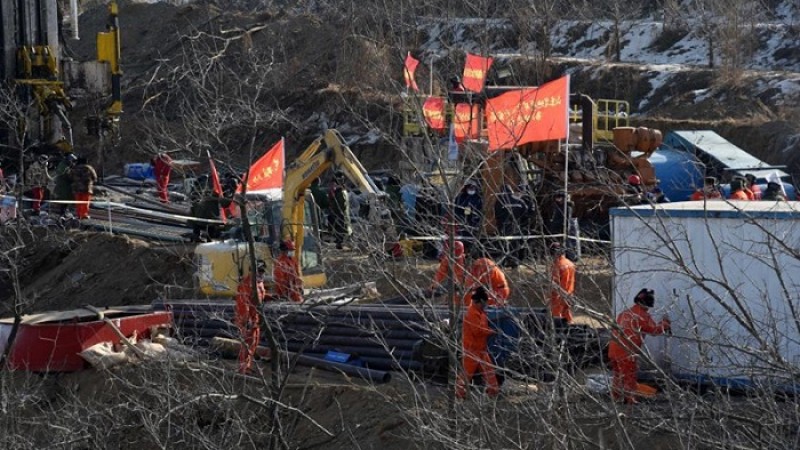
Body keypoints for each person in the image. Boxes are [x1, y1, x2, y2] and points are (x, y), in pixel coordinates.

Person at [607, 288, 671, 404]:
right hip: (627, 351)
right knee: (629, 375)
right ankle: (630, 399)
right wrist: (665, 324)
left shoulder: (624, 313)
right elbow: (654, 330)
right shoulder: (642, 316)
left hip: (613, 349)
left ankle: (616, 397)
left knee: (618, 375)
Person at [455, 286, 499, 399]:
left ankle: (493, 393)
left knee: (489, 371)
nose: (486, 305)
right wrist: (492, 332)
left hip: (481, 348)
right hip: (471, 349)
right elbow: (478, 330)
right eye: (484, 303)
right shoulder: (472, 313)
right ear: (479, 302)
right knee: (466, 375)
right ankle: (459, 394)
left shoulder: (480, 313)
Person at [236, 260, 267, 374]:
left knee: (254, 343)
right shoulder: (246, 284)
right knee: (247, 344)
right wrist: (246, 320)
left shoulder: (259, 283)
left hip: (256, 318)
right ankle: (243, 368)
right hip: (248, 320)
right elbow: (243, 304)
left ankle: (247, 365)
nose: (262, 274)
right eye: (260, 271)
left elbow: (260, 297)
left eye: (262, 271)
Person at [549, 242, 576, 324]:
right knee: (567, 315)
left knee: (557, 318)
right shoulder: (571, 264)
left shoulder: (557, 266)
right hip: (569, 293)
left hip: (558, 296)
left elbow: (555, 283)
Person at [328, 172, 352, 249]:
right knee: (343, 228)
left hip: (340, 214)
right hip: (342, 214)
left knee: (341, 228)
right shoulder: (342, 191)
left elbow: (339, 205)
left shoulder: (339, 192)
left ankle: (341, 243)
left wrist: (332, 202)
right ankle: (342, 242)